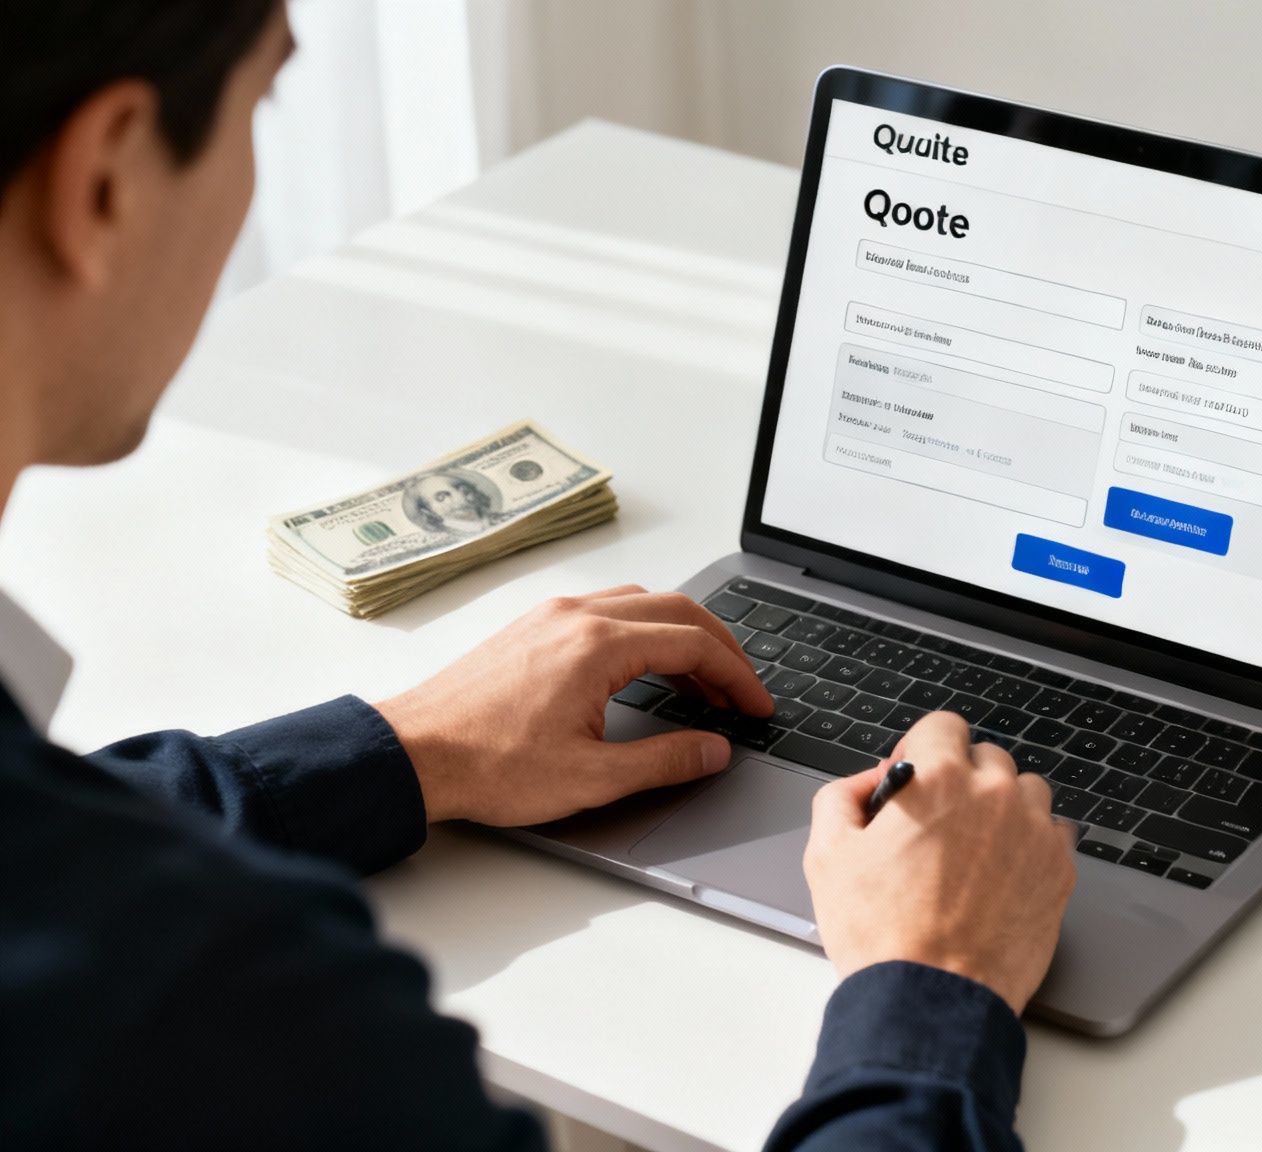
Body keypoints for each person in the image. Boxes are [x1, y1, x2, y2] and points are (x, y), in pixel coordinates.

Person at [0, 4, 1076, 1149]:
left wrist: (402, 750)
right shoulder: (235, 1022)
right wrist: (932, 987)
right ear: (106, 177)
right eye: (263, 104)